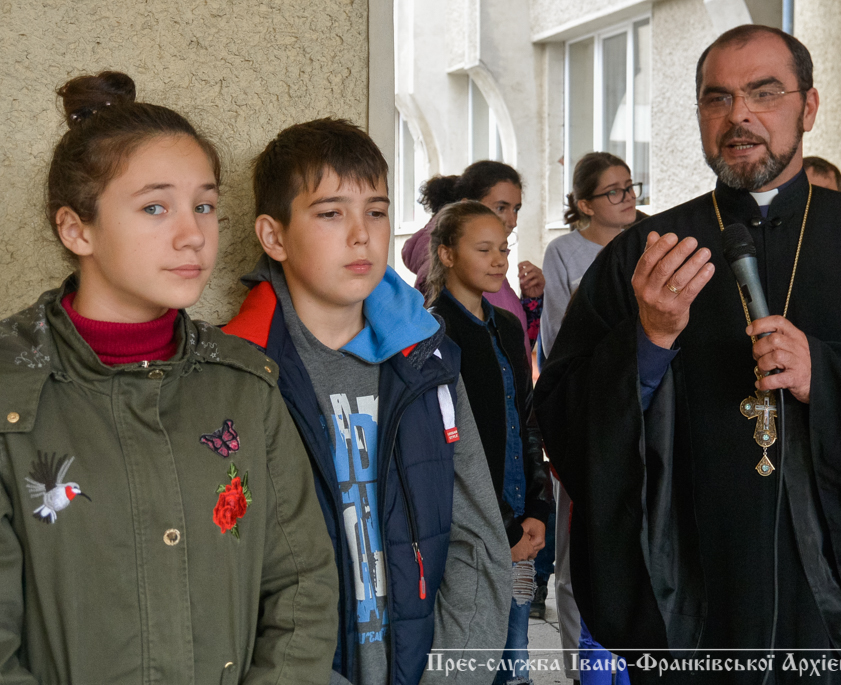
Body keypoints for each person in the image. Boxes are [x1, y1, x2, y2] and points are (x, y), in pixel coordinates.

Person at [535, 25, 841, 685]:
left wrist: (827, 375)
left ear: (809, 107)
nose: (739, 114)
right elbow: (561, 411)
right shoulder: (645, 252)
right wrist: (648, 343)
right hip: (698, 593)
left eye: (764, 92)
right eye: (717, 97)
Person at [0, 71, 339, 682]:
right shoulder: (10, 389)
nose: (193, 236)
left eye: (204, 206)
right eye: (155, 207)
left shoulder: (244, 385)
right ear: (76, 228)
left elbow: (302, 586)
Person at [222, 119, 512, 685]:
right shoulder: (237, 373)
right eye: (331, 213)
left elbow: (477, 541)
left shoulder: (425, 359)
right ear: (274, 237)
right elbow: (223, 577)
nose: (362, 235)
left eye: (376, 212)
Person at [426, 201, 552, 685]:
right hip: (473, 524)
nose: (499, 260)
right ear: (447, 254)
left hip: (519, 513)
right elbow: (450, 446)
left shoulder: (508, 325)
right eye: (484, 249)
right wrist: (504, 526)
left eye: (504, 249)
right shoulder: (434, 332)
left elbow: (526, 420)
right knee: (474, 654)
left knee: (515, 653)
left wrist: (537, 508)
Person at [540, 151, 639, 684]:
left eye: (630, 186)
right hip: (586, 410)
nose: (628, 198)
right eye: (613, 191)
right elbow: (561, 336)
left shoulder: (649, 239)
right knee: (578, 549)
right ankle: (584, 669)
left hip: (640, 405)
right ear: (584, 204)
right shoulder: (565, 252)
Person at [402, 162, 544, 360]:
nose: (513, 221)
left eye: (516, 209)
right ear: (467, 206)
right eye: (501, 208)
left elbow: (512, 350)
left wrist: (531, 302)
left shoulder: (490, 272)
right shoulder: (447, 281)